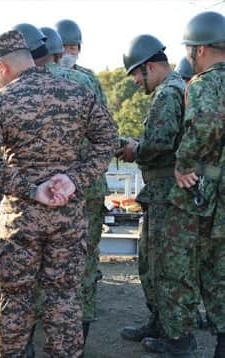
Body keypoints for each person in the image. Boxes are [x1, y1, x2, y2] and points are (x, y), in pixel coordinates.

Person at [0, 29, 117, 357]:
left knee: (15, 300)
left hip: (20, 221)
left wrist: (31, 190)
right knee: (64, 298)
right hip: (66, 216)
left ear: (3, 68)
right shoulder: (77, 92)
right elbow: (108, 138)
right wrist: (74, 179)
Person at [151, 11, 225, 357]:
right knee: (220, 270)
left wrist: (183, 164)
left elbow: (204, 126)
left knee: (177, 263)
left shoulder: (205, 83)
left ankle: (179, 341)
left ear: (198, 50)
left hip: (202, 192)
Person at [118, 34, 187, 354]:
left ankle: (178, 337)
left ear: (149, 67)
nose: (134, 81)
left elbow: (159, 144)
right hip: (162, 192)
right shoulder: (174, 90)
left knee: (164, 265)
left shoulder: (168, 93)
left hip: (167, 194)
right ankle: (161, 323)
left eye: (135, 73)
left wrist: (135, 149)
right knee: (152, 262)